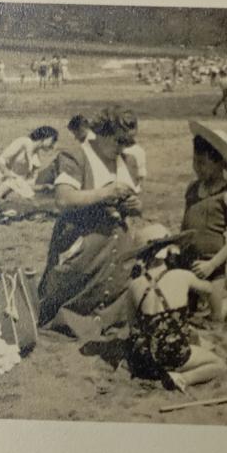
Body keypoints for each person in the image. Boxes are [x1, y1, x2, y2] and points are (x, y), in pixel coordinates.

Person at [38, 106, 144, 339]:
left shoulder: (128, 162)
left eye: (128, 142)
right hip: (83, 248)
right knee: (72, 302)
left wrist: (136, 207)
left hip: (117, 250)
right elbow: (64, 199)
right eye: (119, 141)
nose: (123, 147)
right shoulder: (76, 158)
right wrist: (105, 193)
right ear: (102, 133)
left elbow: (137, 203)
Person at [127, 224, 227, 392]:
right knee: (219, 364)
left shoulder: (134, 286)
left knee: (189, 338)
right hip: (173, 354)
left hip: (144, 360)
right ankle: (182, 378)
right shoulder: (182, 276)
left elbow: (132, 323)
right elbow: (209, 289)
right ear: (169, 252)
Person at [180, 122, 227, 321]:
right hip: (188, 262)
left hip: (212, 266)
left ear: (220, 163)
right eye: (195, 162)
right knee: (185, 313)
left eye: (203, 163)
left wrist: (212, 264)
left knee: (216, 319)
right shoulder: (192, 189)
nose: (197, 168)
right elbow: (185, 226)